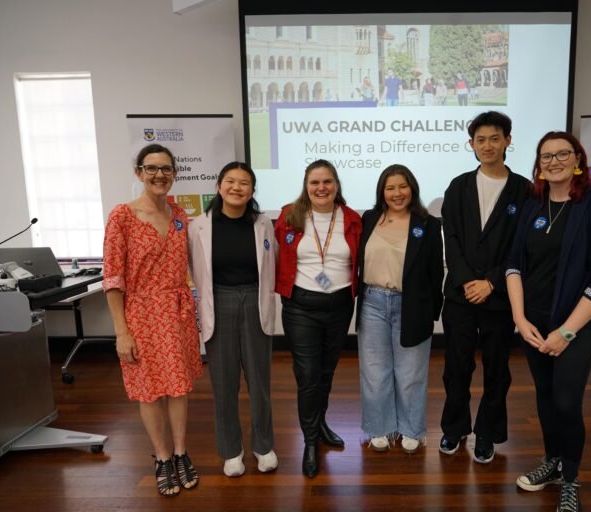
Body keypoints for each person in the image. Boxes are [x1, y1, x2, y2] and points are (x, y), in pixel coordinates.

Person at [505, 131, 591, 512]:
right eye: (545, 156)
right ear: (538, 164)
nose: (553, 161)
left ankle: (570, 478)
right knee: (545, 396)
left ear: (577, 160)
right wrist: (520, 319)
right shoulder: (531, 205)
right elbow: (514, 265)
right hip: (534, 324)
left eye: (561, 154)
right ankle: (552, 462)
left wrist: (567, 331)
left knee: (567, 402)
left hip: (578, 325)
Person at [103, 143, 202, 497]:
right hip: (140, 314)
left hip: (177, 312)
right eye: (151, 168)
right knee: (149, 390)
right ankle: (161, 458)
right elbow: (112, 278)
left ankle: (180, 452)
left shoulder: (179, 214)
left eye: (166, 169)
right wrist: (121, 332)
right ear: (139, 173)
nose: (159, 175)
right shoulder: (122, 216)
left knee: (178, 387)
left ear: (175, 173)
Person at [439, 111, 532, 464]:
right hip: (460, 295)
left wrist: (491, 281)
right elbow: (453, 237)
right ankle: (454, 427)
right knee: (456, 366)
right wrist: (467, 281)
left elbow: (520, 245)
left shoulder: (524, 190)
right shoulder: (458, 186)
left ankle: (487, 433)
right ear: (471, 145)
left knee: (497, 368)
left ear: (508, 140)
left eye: (495, 138)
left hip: (500, 296)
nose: (487, 145)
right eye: (480, 140)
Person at [188, 162, 278, 478]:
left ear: (252, 191)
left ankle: (264, 446)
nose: (236, 187)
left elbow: (274, 263)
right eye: (230, 181)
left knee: (259, 381)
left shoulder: (263, 223)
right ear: (219, 186)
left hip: (255, 300)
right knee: (224, 383)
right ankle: (231, 451)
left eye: (244, 183)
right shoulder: (198, 226)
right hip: (219, 300)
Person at [274, 159, 362, 478]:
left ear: (336, 184)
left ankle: (320, 424)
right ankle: (310, 442)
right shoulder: (289, 215)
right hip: (300, 307)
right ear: (306, 185)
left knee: (326, 371)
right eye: (315, 182)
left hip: (339, 306)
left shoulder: (352, 219)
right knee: (308, 375)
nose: (321, 188)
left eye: (327, 181)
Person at [356, 165, 444, 454]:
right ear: (382, 191)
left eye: (402, 186)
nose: (397, 193)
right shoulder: (370, 219)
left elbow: (435, 272)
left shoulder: (428, 224)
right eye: (390, 187)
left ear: (412, 189)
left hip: (412, 304)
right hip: (373, 302)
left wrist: (431, 312)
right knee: (374, 371)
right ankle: (379, 428)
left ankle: (411, 428)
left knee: (410, 373)